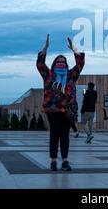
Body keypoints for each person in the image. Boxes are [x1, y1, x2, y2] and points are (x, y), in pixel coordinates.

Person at [37, 35, 85, 171]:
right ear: (54, 64)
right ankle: (53, 161)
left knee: (65, 135)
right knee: (54, 134)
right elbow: (40, 64)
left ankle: (65, 161)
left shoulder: (71, 75)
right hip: (52, 109)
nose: (61, 63)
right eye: (58, 61)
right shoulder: (49, 75)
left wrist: (74, 49)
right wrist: (45, 48)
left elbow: (80, 64)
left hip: (67, 109)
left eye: (63, 61)